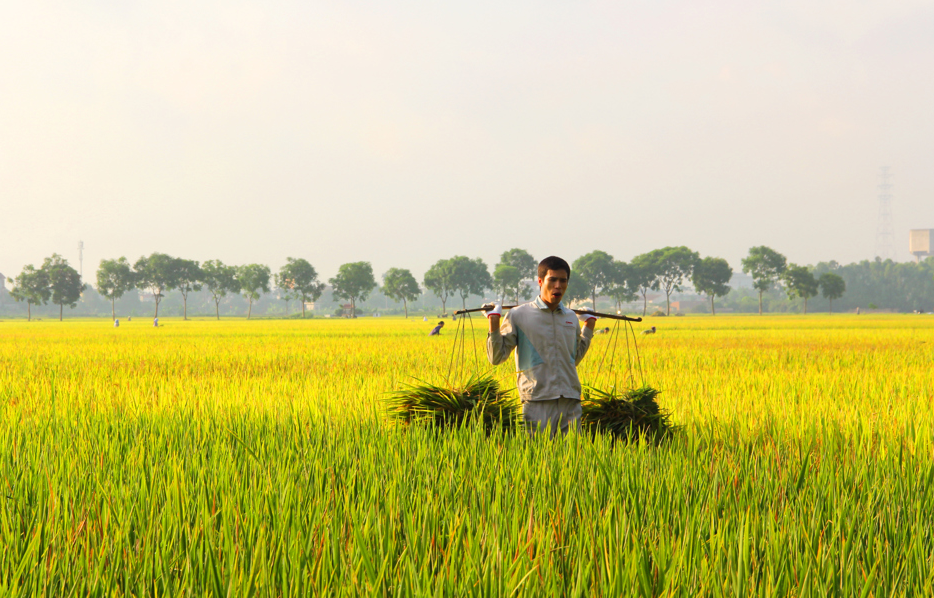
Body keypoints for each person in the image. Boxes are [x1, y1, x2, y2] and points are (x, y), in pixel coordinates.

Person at [485, 256, 597, 437]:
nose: (558, 286)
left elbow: (573, 359)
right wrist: (494, 321)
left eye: (563, 280)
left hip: (570, 400)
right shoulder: (519, 315)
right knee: (539, 458)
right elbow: (496, 357)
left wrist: (589, 325)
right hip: (537, 401)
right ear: (540, 281)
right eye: (552, 280)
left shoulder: (570, 317)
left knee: (572, 460)